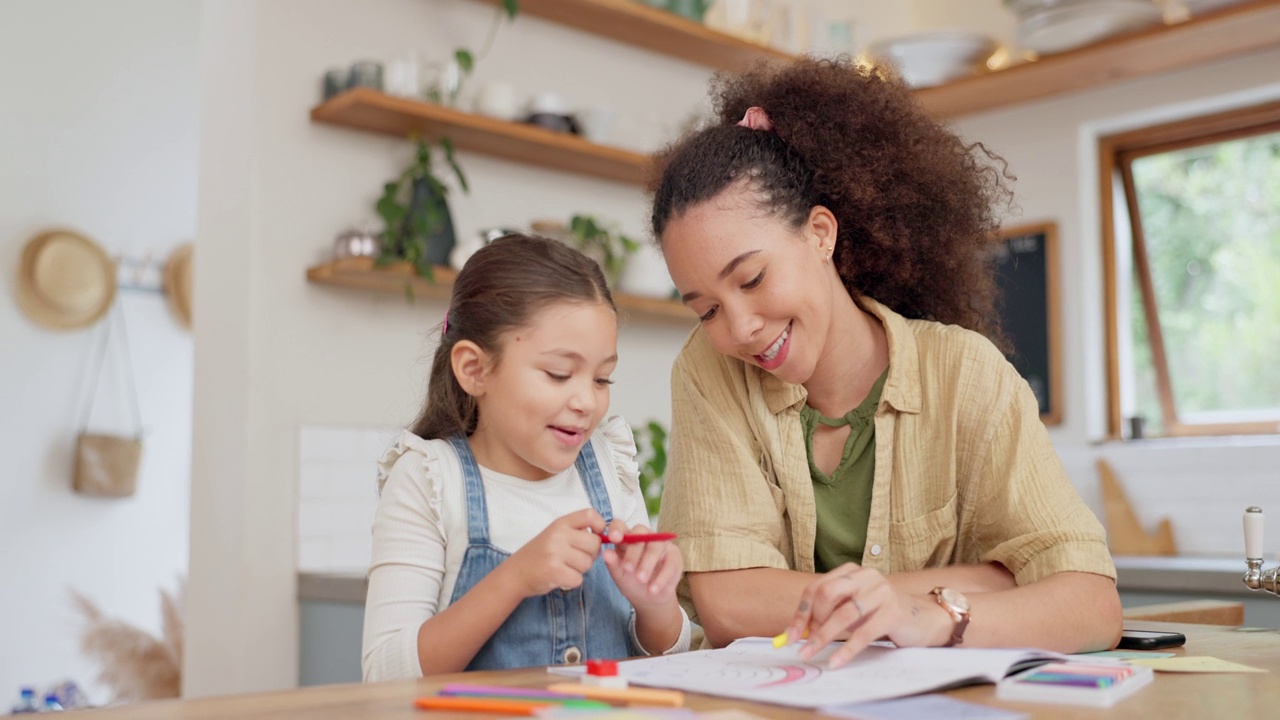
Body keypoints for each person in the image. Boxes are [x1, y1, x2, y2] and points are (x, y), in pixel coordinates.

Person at [650, 57, 1121, 669]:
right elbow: (730, 604)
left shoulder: (965, 374)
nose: (739, 328)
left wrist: (929, 616)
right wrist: (989, 582)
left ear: (821, 233)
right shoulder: (709, 372)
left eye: (753, 278)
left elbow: (1091, 606)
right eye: (706, 310)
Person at [362, 234, 690, 681]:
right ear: (475, 369)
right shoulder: (429, 478)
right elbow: (385, 676)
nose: (586, 402)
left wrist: (655, 603)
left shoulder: (609, 468)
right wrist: (515, 578)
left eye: (602, 379)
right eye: (559, 374)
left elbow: (668, 656)